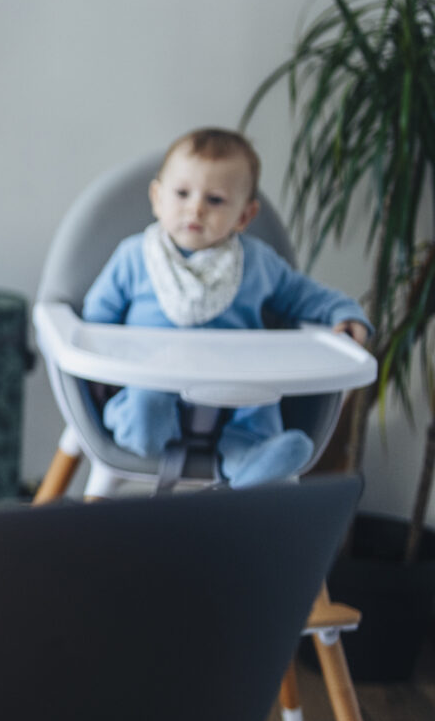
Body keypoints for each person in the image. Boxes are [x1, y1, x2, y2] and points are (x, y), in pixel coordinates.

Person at [82, 127, 371, 487]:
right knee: (144, 400)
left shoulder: (258, 263)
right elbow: (96, 319)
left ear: (245, 216)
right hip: (154, 382)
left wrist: (345, 313)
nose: (196, 208)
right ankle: (140, 431)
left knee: (261, 402)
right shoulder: (133, 257)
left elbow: (304, 295)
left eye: (215, 200)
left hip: (236, 389)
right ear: (157, 198)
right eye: (182, 193)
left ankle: (251, 458)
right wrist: (103, 370)